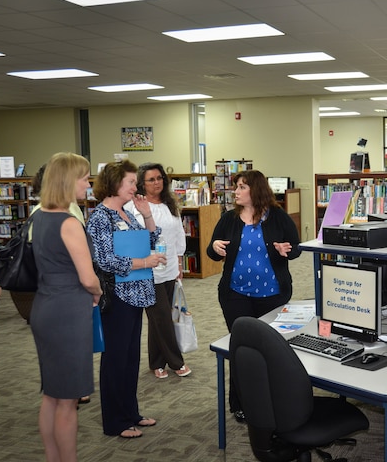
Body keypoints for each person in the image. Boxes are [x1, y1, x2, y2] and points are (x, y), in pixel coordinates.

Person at [206, 169, 301, 422]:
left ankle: (273, 399)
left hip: (272, 295)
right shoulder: (229, 218)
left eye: (241, 187)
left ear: (255, 190)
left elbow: (296, 248)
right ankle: (240, 403)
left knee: (271, 349)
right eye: (236, 187)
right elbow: (212, 251)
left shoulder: (278, 216)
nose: (236, 191)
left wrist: (285, 249)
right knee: (241, 349)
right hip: (235, 294)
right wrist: (214, 247)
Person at [29, 152, 103, 462]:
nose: (88, 184)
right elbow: (88, 278)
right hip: (68, 312)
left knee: (51, 395)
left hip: (45, 307)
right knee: (68, 400)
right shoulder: (69, 222)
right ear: (66, 181)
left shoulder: (37, 216)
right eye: (84, 178)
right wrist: (98, 292)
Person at [86, 160, 166, 439]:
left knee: (131, 358)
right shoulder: (100, 217)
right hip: (117, 295)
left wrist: (147, 215)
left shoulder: (127, 213)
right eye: (131, 182)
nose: (136, 186)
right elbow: (106, 261)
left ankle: (131, 412)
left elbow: (152, 238)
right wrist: (145, 261)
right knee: (115, 359)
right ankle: (115, 422)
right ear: (114, 183)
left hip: (136, 293)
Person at [124, 162, 191, 379]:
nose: (157, 183)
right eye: (151, 179)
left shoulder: (170, 205)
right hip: (147, 270)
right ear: (142, 183)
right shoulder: (135, 207)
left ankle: (156, 362)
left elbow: (179, 234)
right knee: (161, 316)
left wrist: (180, 264)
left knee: (160, 319)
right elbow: (131, 240)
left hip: (170, 267)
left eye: (160, 178)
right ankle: (176, 361)